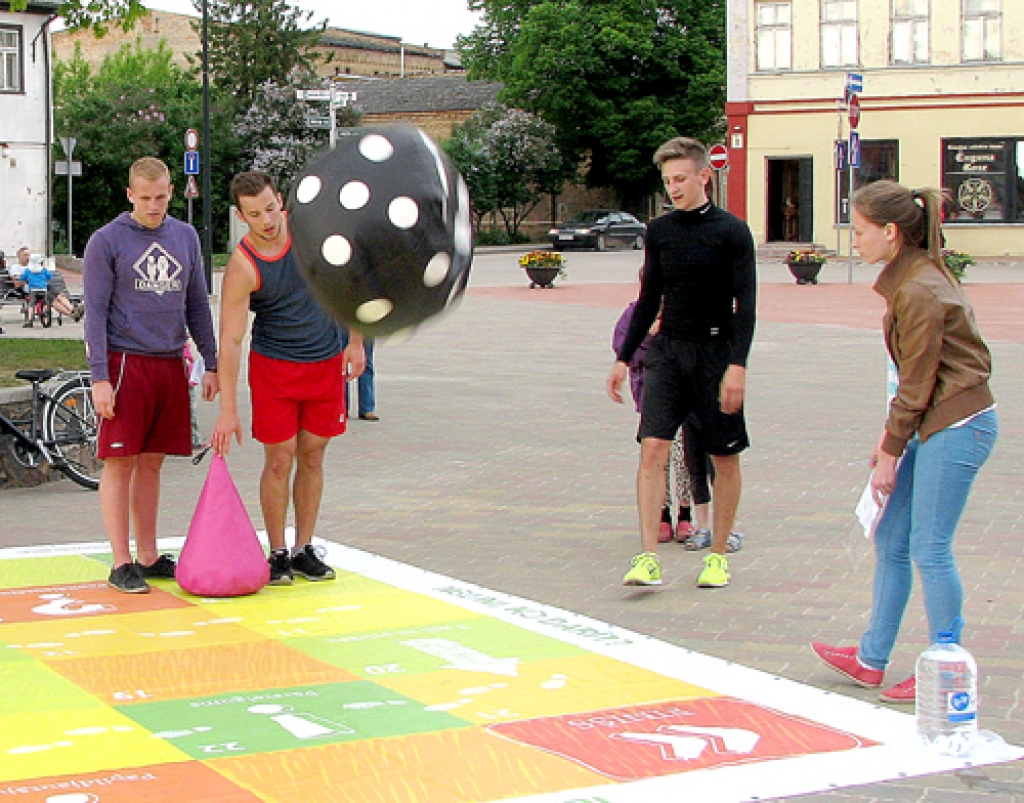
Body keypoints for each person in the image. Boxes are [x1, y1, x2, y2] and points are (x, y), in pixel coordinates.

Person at [812, 181, 997, 704]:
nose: (856, 240)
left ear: (890, 232)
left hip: (958, 424)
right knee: (892, 538)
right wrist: (889, 438)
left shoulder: (916, 288)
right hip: (934, 421)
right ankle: (872, 659)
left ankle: (946, 664)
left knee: (929, 547)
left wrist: (891, 451)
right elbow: (912, 380)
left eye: (862, 230)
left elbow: (917, 382)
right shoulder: (912, 275)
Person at [607, 136, 756, 589]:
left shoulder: (732, 232)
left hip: (715, 354)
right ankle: (648, 555)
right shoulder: (660, 232)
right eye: (667, 181)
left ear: (703, 176)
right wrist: (623, 357)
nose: (673, 188)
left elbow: (745, 304)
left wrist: (738, 366)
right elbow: (650, 295)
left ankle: (717, 556)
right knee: (652, 446)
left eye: (681, 179)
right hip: (667, 352)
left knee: (721, 457)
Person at [211, 170, 366, 586]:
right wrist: (228, 411)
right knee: (279, 459)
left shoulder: (312, 235)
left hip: (325, 363)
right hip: (275, 368)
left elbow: (350, 281)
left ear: (281, 200)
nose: (266, 220)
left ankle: (304, 548)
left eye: (270, 208)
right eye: (255, 214)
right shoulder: (244, 265)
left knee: (313, 456)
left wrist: (355, 341)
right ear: (242, 217)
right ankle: (277, 551)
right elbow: (230, 340)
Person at [83, 156, 219, 593]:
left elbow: (196, 302)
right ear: (129, 195)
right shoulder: (107, 242)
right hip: (125, 362)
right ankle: (120, 561)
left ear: (171, 192)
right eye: (145, 198)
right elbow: (95, 315)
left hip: (169, 360)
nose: (154, 205)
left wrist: (211, 361)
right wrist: (99, 377)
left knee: (153, 461)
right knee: (119, 460)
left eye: (161, 197)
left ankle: (148, 554)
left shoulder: (184, 236)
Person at [341, 328, 378, 420]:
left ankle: (367, 408)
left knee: (365, 364)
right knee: (340, 365)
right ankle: (342, 406)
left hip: (364, 323)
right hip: (340, 322)